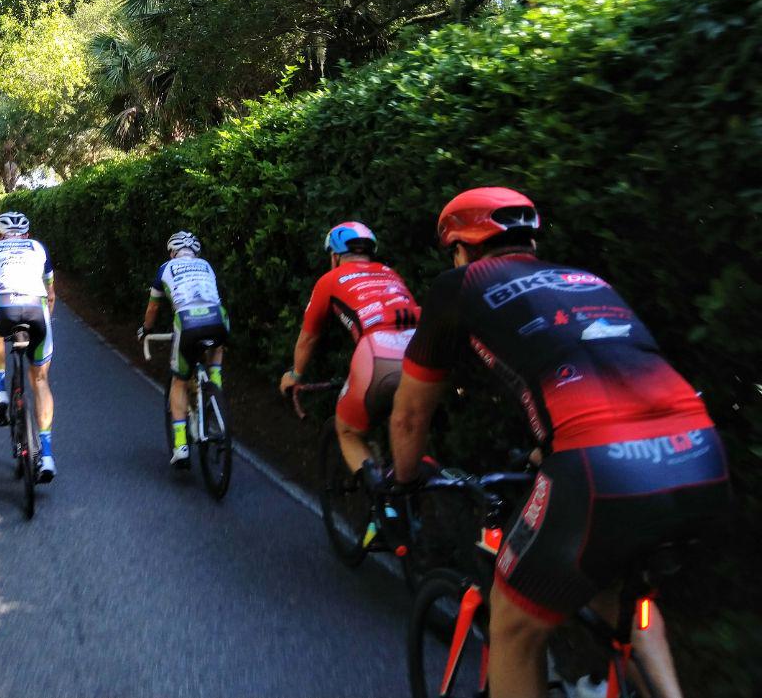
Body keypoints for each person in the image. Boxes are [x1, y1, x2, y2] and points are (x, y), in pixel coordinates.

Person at [390, 187, 730, 698]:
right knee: (622, 596)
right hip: (701, 453)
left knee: (511, 625)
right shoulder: (586, 279)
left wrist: (406, 478)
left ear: (461, 245)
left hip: (599, 473)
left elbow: (411, 413)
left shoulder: (460, 285)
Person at [277, 221, 419, 473]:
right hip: (421, 350)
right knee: (409, 426)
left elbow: (308, 338)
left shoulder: (330, 279)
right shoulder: (390, 273)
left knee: (347, 430)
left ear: (334, 255)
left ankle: (384, 506)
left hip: (376, 354)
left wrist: (295, 374)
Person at [0, 211, 58, 482]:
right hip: (37, 312)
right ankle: (46, 456)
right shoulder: (38, 248)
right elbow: (52, 294)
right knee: (41, 381)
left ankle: (0, 392)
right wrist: (46, 323)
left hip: (5, 308)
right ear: (27, 234)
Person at [139, 231, 229, 468]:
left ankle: (180, 446)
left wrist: (146, 330)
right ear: (196, 252)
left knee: (179, 381)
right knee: (218, 344)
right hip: (217, 319)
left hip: (188, 323)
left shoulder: (165, 268)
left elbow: (152, 309)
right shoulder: (206, 266)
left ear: (171, 252)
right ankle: (215, 382)